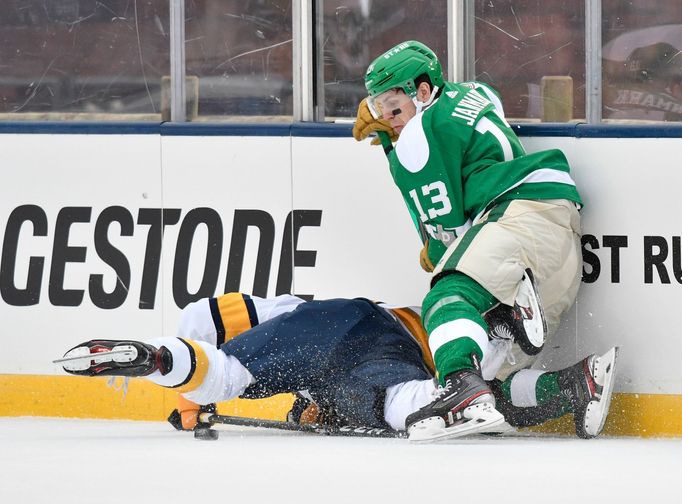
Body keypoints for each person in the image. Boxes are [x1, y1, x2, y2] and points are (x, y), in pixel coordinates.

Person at [352, 40, 584, 440]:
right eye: (378, 109)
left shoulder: (415, 139)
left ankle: (461, 383)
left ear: (423, 92)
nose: (388, 120)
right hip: (555, 231)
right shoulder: (471, 92)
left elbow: (449, 233)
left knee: (446, 296)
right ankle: (581, 384)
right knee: (494, 385)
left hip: (516, 217)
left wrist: (395, 147)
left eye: (394, 106)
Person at [56, 292, 617, 441]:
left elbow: (224, 328)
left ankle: (153, 358)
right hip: (376, 338)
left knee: (222, 376)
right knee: (421, 400)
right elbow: (318, 382)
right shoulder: (274, 340)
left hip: (343, 331)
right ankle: (575, 384)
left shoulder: (259, 327)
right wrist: (315, 407)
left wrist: (189, 394)